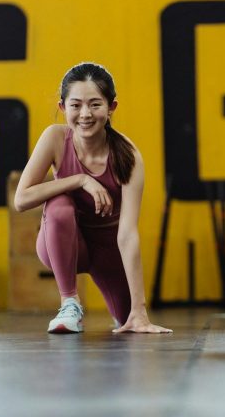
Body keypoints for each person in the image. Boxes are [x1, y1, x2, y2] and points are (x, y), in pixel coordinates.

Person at [14, 62, 171, 334]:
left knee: (128, 320)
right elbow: (21, 199)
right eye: (75, 105)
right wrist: (80, 179)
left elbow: (128, 234)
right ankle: (69, 303)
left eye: (95, 104)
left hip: (106, 249)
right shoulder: (54, 138)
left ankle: (127, 313)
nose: (85, 114)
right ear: (63, 107)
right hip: (61, 242)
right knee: (59, 205)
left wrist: (139, 310)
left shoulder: (128, 155)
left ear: (111, 108)